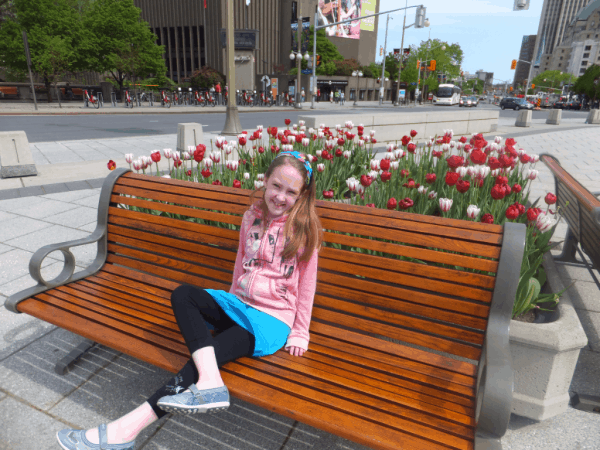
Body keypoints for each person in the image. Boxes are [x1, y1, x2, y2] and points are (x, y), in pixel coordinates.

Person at [56, 152, 322, 450]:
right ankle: (211, 381)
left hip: (270, 321)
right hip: (240, 304)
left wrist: (300, 331)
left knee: (207, 354)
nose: (280, 197)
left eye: (291, 192)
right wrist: (229, 304)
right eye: (276, 186)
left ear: (302, 195)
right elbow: (240, 263)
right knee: (184, 295)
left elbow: (307, 286)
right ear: (265, 181)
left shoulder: (305, 230)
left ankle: (125, 430)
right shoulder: (252, 217)